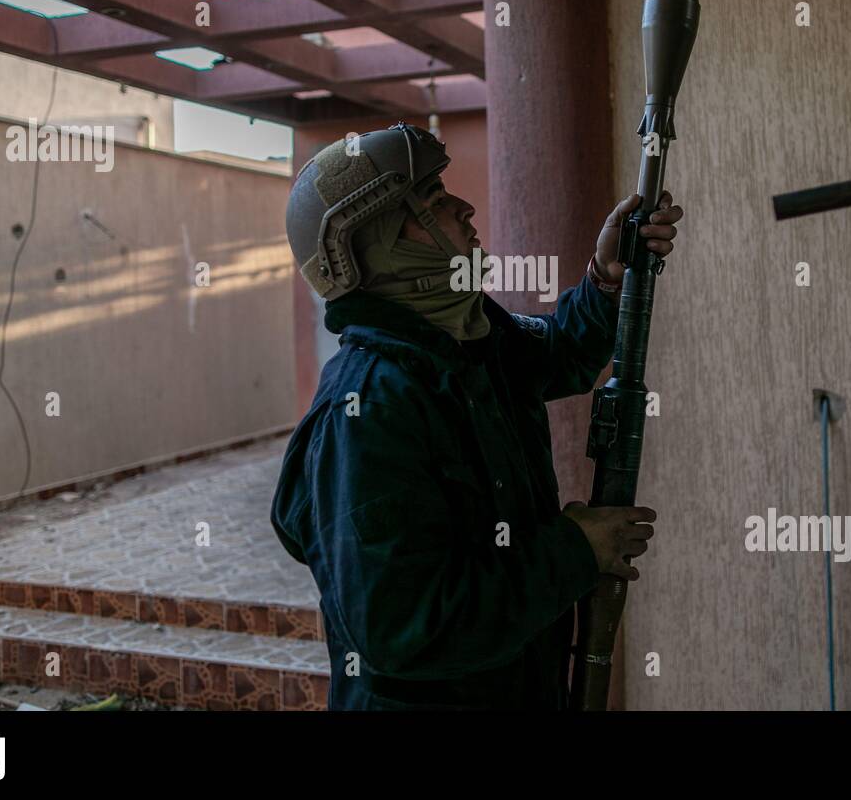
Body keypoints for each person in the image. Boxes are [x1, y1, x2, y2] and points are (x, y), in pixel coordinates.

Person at [271, 122, 683, 709]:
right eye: (434, 204)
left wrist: (605, 277)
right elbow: (404, 628)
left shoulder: (463, 340)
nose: (465, 209)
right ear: (383, 245)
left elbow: (558, 355)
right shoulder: (369, 409)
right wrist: (573, 552)